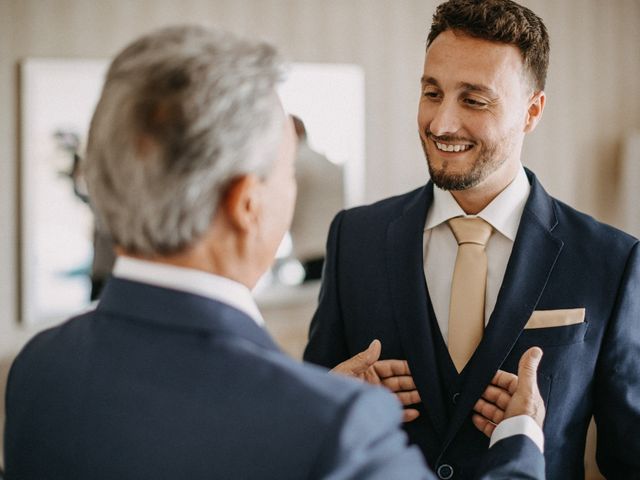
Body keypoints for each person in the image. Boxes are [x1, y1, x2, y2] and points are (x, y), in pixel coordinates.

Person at [3, 25, 547, 480]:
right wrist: (520, 437)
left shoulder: (37, 369)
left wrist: (312, 398)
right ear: (247, 203)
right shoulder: (337, 432)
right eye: (287, 169)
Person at [304, 0, 640, 478]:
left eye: (474, 100)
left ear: (532, 111)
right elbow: (306, 428)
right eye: (432, 92)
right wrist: (328, 400)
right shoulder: (353, 239)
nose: (441, 124)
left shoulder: (611, 259)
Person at [289, 115, 345, 281]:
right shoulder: (325, 161)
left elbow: (287, 209)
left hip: (312, 250)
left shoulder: (296, 163)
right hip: (336, 245)